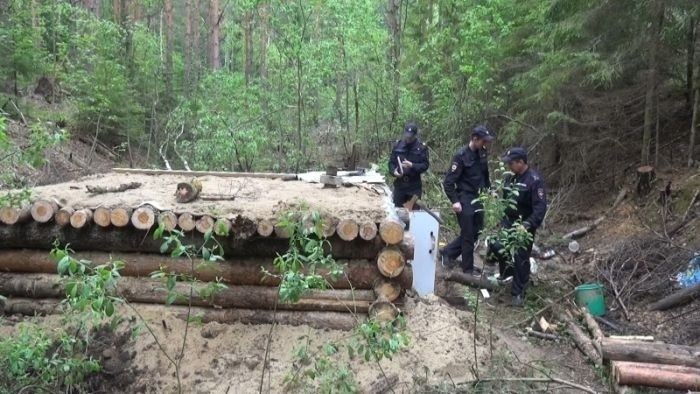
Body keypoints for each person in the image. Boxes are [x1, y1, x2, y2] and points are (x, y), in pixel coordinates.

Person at [488, 147, 547, 307]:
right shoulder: (510, 179)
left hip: (525, 223)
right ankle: (506, 274)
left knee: (521, 256)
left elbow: (541, 207)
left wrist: (527, 224)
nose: (509, 166)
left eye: (511, 163)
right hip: (508, 220)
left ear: (521, 162)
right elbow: (506, 200)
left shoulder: (534, 180)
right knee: (497, 245)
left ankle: (518, 292)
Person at [441, 126, 494, 275]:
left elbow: (485, 174)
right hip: (464, 197)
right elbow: (449, 182)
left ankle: (448, 252)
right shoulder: (460, 156)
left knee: (477, 231)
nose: (485, 144)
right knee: (468, 233)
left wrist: (489, 190)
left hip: (478, 197)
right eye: (483, 141)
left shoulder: (482, 153)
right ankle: (468, 270)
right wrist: (455, 201)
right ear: (474, 139)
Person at [388, 122, 429, 207]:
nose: (408, 139)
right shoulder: (397, 145)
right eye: (407, 136)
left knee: (413, 215)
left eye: (411, 137)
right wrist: (393, 172)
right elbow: (391, 163)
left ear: (415, 135)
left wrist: (412, 165)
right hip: (400, 186)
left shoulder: (421, 148)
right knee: (398, 214)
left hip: (414, 187)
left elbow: (425, 165)